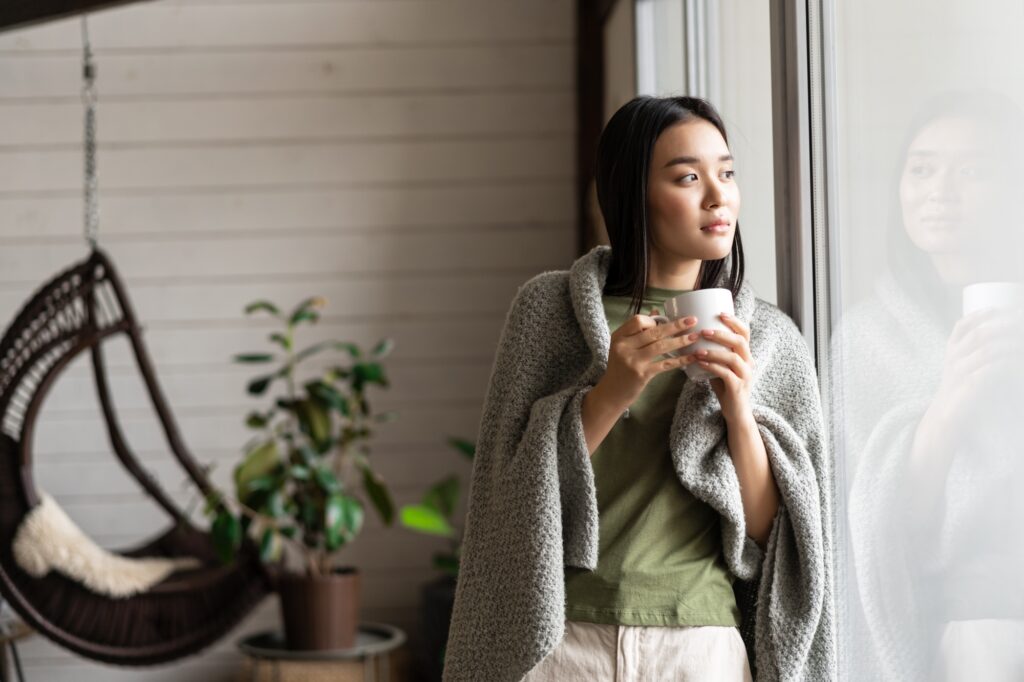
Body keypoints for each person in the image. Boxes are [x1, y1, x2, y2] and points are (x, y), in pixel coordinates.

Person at [442, 95, 836, 682]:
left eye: (726, 173)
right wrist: (611, 392)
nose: (717, 195)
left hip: (699, 646)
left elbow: (777, 534)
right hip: (562, 640)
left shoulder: (770, 338)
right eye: (688, 177)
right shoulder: (548, 312)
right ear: (633, 193)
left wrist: (738, 409)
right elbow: (510, 495)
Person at [837, 88, 1024, 682]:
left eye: (971, 171)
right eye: (921, 169)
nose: (940, 191)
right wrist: (949, 405)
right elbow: (875, 521)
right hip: (974, 624)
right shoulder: (870, 338)